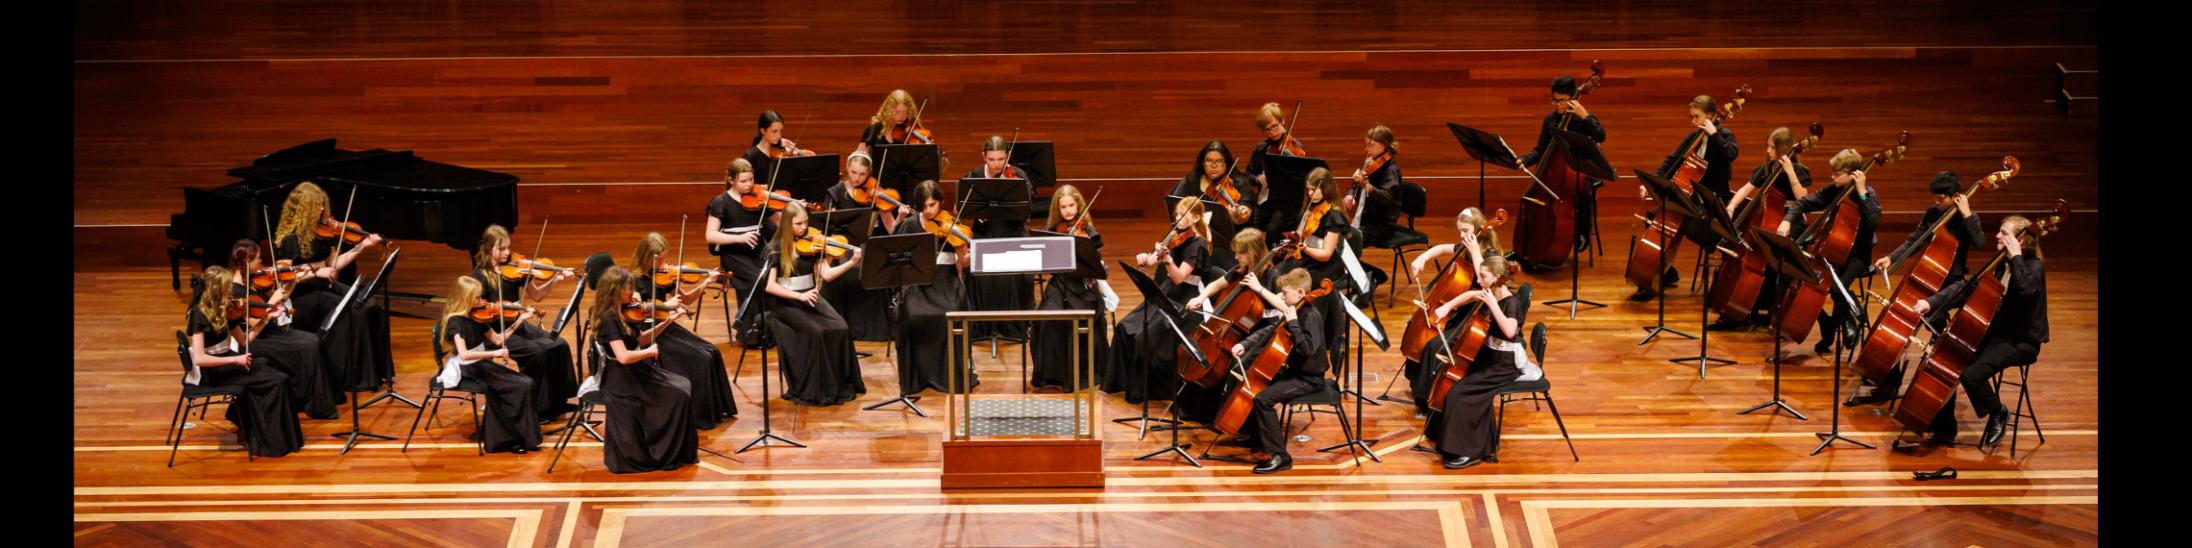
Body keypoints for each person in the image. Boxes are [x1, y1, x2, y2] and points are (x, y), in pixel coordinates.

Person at [1907, 215, 2048, 448]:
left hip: (2020, 341)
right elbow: (1965, 288)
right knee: (1950, 359)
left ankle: (1998, 412)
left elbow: (2026, 290)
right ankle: (1944, 426)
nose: (1997, 236)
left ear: (2019, 242)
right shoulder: (2000, 263)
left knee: (1971, 374)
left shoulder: (2033, 268)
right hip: (1995, 334)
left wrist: (2016, 258)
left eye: (2004, 233)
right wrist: (1930, 302)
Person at [270, 181, 392, 396]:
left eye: (322, 205)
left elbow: (334, 265)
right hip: (302, 294)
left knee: (369, 305)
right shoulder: (290, 239)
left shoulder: (323, 233)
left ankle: (369, 373)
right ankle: (345, 377)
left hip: (325, 286)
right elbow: (284, 276)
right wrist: (316, 272)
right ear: (303, 209)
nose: (321, 210)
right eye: (315, 206)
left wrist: (361, 247)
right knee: (351, 311)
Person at [1420, 255, 1537, 470]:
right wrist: (1447, 308)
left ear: (1497, 278)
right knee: (1452, 383)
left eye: (1483, 276)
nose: (1479, 279)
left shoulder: (1511, 302)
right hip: (1488, 354)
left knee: (1460, 394)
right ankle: (1446, 437)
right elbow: (1471, 295)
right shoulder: (1490, 291)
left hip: (1504, 364)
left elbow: (1510, 331)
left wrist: (1493, 306)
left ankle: (1467, 451)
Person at [184, 266, 305, 458]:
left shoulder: (227, 308)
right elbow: (199, 358)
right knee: (276, 380)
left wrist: (265, 318)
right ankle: (267, 441)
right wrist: (236, 359)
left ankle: (264, 433)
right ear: (217, 289)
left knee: (279, 376)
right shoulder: (199, 314)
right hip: (212, 371)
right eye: (227, 287)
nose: (232, 291)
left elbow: (244, 341)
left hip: (227, 360)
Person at [591, 266, 700, 473]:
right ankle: (665, 450)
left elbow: (639, 339)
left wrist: (667, 321)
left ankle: (679, 449)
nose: (632, 292)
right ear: (614, 290)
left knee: (682, 385)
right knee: (678, 393)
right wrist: (649, 352)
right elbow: (623, 357)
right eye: (628, 288)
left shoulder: (623, 313)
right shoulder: (609, 320)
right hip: (622, 379)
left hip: (635, 371)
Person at [1631, 95, 1740, 301]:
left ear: (1710, 116)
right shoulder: (1693, 137)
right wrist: (1649, 184)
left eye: (1697, 117)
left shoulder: (1724, 134)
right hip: (1690, 198)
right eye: (1692, 117)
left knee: (1692, 228)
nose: (1693, 122)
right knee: (1654, 216)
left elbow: (1731, 154)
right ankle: (1659, 272)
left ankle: (1720, 280)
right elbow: (1672, 160)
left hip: (1711, 201)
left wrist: (1714, 134)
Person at [470, 225, 582, 422]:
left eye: (508, 248)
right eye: (501, 249)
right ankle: (537, 408)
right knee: (537, 352)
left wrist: (555, 278)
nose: (507, 253)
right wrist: (502, 308)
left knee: (559, 345)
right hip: (497, 330)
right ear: (488, 249)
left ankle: (558, 401)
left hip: (518, 324)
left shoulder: (516, 268)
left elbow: (537, 295)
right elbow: (476, 310)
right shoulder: (479, 276)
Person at [1223, 268, 1330, 474]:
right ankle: (1259, 437)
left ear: (1300, 292)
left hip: (1309, 378)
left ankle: (1281, 456)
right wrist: (1245, 344)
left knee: (1263, 399)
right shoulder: (1295, 309)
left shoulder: (1309, 316)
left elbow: (1308, 349)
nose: (1281, 296)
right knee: (1254, 382)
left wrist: (1294, 324)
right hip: (1295, 371)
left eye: (1285, 293)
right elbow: (1269, 330)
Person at [1776, 148, 1882, 354]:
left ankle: (1845, 322)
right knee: (1801, 281)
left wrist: (1861, 191)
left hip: (1857, 255)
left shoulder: (1868, 193)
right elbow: (1803, 203)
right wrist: (1787, 221)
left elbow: (1874, 219)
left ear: (1853, 174)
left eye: (1837, 173)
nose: (1832, 177)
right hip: (1831, 250)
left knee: (1836, 289)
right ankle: (1829, 323)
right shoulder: (1833, 190)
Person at [632, 233, 738, 428]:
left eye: (664, 257)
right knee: (700, 358)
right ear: (646, 257)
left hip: (669, 326)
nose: (664, 263)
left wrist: (706, 282)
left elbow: (686, 299)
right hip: (653, 330)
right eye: (659, 259)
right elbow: (638, 310)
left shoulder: (664, 277)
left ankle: (719, 409)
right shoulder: (635, 281)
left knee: (712, 351)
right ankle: (699, 416)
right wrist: (665, 305)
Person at [764, 206, 867, 406]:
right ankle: (820, 388)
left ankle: (840, 384)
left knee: (841, 327)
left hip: (810, 296)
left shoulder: (812, 245)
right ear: (787, 224)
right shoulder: (774, 249)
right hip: (787, 302)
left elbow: (826, 275)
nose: (804, 228)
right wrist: (799, 297)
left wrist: (851, 262)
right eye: (798, 224)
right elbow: (770, 286)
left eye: (806, 222)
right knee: (818, 332)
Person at [1402, 208, 1501, 412]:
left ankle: (1425, 399)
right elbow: (1440, 248)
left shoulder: (1490, 254)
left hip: (1473, 314)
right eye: (1460, 231)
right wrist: (1422, 258)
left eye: (1466, 230)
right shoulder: (1465, 245)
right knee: (1423, 332)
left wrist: (1474, 252)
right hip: (1457, 309)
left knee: (1432, 346)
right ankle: (1417, 386)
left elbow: (1485, 284)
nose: (1462, 235)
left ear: (1478, 228)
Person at [227, 239, 338, 419]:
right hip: (255, 340)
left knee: (313, 339)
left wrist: (292, 280)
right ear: (247, 261)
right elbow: (254, 323)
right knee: (308, 344)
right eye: (259, 260)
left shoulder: (253, 281)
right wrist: (271, 302)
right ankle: (313, 402)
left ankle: (314, 400)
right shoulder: (236, 292)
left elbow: (282, 295)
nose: (262, 264)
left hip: (269, 333)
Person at [436, 276, 543, 454]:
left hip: (482, 364)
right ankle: (507, 439)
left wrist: (520, 320)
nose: (483, 301)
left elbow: (498, 339)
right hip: (468, 368)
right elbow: (465, 354)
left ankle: (517, 435)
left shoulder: (477, 317)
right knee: (520, 385)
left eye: (481, 297)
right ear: (465, 298)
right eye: (477, 298)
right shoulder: (456, 321)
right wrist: (494, 353)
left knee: (526, 383)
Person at [1030, 184, 1109, 391]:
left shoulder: (1089, 231)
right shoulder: (1051, 231)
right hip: (1059, 285)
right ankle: (1052, 375)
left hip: (1083, 287)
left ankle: (1081, 373)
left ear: (1079, 205)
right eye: (1063, 207)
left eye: (1072, 206)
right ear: (1057, 209)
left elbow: (1095, 263)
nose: (1068, 211)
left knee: (1076, 320)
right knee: (1044, 319)